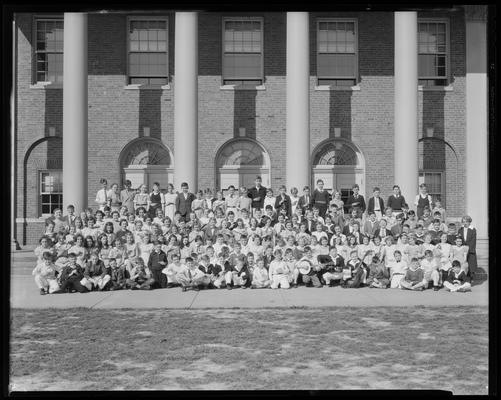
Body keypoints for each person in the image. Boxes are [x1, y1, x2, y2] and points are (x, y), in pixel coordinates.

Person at [457, 215, 477, 281]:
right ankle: (462, 276)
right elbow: (459, 239)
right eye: (463, 222)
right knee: (463, 263)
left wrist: (468, 249)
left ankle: (471, 277)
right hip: (462, 248)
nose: (465, 223)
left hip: (470, 249)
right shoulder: (460, 229)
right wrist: (461, 248)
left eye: (466, 222)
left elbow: (473, 240)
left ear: (469, 222)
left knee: (471, 263)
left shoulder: (473, 229)